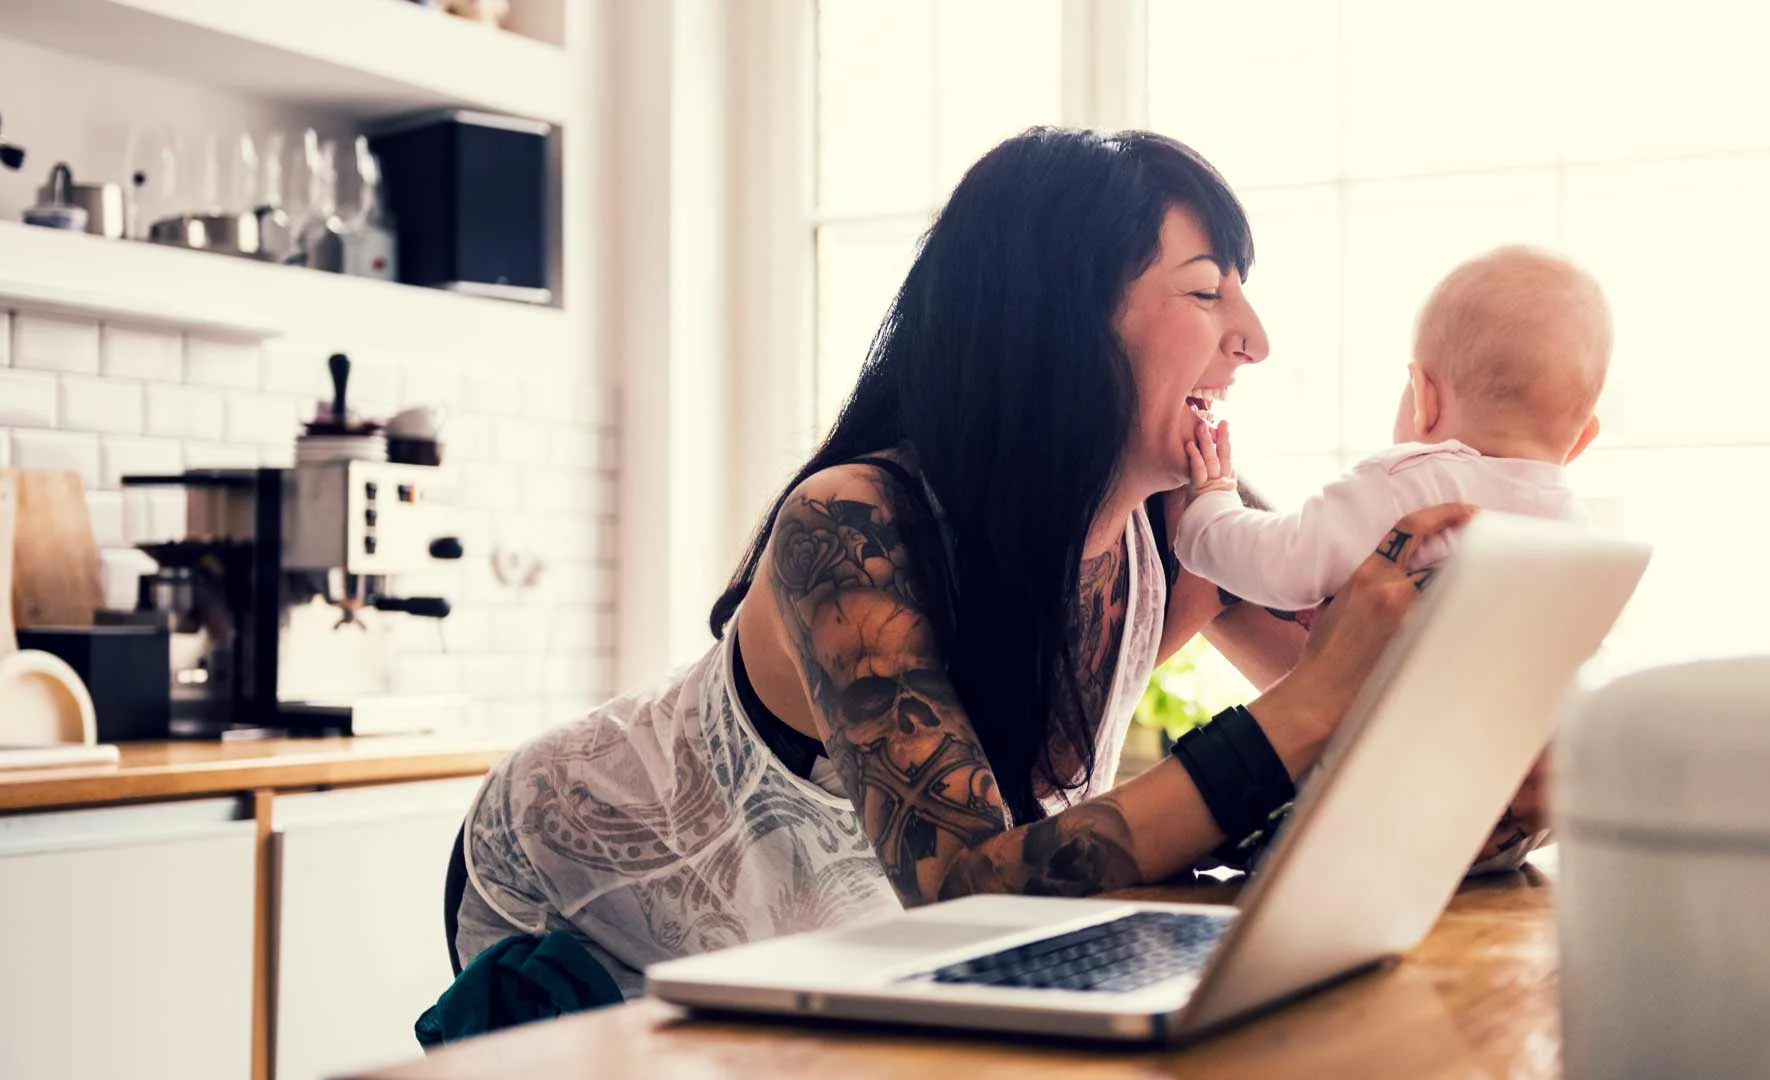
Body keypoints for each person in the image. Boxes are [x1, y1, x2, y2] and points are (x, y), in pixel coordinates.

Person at [452, 128, 1503, 997]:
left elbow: (1382, 721)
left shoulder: (1194, 528)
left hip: (832, 925)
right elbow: (965, 890)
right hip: (580, 888)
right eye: (1205, 293)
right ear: (1065, 324)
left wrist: (1505, 765)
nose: (1254, 339)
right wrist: (1311, 706)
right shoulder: (850, 527)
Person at [1174, 245, 1611, 623]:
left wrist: (1211, 505)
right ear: (1581, 439)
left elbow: (1283, 563)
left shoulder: (1409, 484)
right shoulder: (1582, 540)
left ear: (1426, 399)